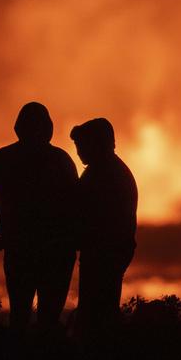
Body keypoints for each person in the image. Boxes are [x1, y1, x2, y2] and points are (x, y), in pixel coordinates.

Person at [0, 102, 79, 334]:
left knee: (20, 317)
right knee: (46, 320)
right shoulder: (61, 160)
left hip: (24, 250)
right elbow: (78, 206)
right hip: (54, 252)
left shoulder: (3, 158)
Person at [69, 117, 137, 342]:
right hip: (109, 253)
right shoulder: (110, 171)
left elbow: (85, 213)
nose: (78, 153)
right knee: (101, 314)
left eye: (81, 146)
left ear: (96, 144)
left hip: (103, 255)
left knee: (94, 318)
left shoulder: (103, 175)